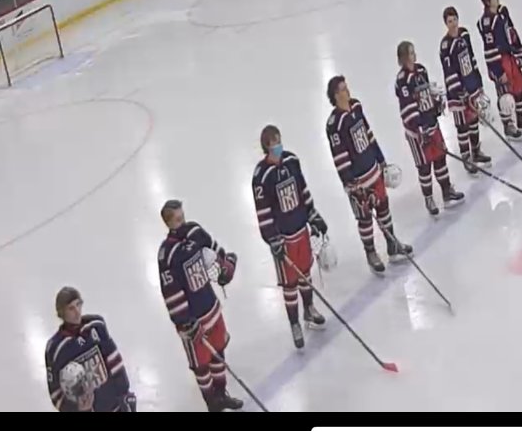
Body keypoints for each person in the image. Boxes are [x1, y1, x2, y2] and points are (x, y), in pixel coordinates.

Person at [157, 200, 243, 412]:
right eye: (178, 219)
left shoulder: (194, 231)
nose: (183, 222)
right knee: (201, 365)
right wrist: (186, 322)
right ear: (168, 223)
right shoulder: (167, 254)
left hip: (211, 307)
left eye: (183, 216)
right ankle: (212, 404)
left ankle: (221, 394)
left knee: (218, 352)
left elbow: (215, 250)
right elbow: (170, 293)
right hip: (194, 320)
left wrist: (226, 266)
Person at [325, 76, 413, 273]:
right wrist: (352, 185)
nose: (347, 91)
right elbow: (340, 157)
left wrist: (381, 160)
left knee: (384, 208)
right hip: (358, 181)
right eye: (343, 89)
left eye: (346, 87)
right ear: (336, 95)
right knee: (365, 218)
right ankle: (371, 252)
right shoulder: (334, 125)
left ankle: (392, 245)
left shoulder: (356, 107)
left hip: (373, 170)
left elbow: (368, 134)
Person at [253, 125, 330, 349]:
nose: (278, 146)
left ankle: (309, 309)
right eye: (273, 143)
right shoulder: (261, 176)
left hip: (300, 230)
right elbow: (263, 211)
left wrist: (312, 215)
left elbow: (303, 190)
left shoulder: (292, 161)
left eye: (279, 140)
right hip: (283, 238)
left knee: (305, 273)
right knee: (289, 284)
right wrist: (272, 239)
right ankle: (294, 322)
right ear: (266, 147)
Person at [395, 41, 466, 216]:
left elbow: (427, 95)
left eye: (413, 52)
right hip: (417, 132)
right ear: (404, 58)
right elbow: (408, 106)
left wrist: (436, 105)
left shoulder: (421, 71)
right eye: (411, 53)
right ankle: (428, 198)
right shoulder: (402, 80)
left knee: (440, 158)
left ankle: (447, 191)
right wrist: (419, 128)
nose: (414, 55)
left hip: (431, 124)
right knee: (424, 166)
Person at [44, 286, 136, 412]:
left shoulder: (96, 325)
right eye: (71, 308)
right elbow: (55, 393)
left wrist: (124, 393)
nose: (77, 312)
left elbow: (115, 361)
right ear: (61, 313)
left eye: (78, 304)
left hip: (115, 406)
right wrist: (76, 408)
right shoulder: (55, 349)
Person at [438, 6, 494, 174]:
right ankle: (466, 157)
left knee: (474, 121)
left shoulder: (464, 34)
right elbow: (449, 71)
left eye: (454, 19)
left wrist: (478, 82)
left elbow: (471, 57)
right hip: (457, 94)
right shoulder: (445, 46)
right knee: (462, 126)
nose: (453, 24)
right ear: (446, 24)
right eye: (449, 21)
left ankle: (476, 151)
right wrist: (459, 91)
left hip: (471, 86)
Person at [477, 0, 522, 140]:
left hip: (510, 56)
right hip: (498, 60)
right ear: (487, 1)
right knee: (505, 95)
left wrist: (519, 51)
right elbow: (489, 48)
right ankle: (508, 125)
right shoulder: (486, 22)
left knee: (519, 85)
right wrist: (498, 70)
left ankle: (521, 117)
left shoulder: (502, 13)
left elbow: (512, 32)